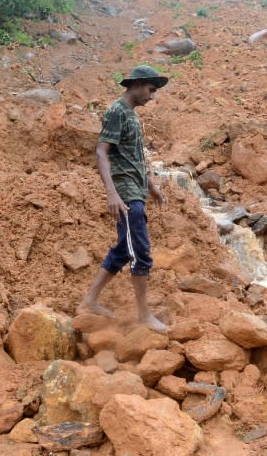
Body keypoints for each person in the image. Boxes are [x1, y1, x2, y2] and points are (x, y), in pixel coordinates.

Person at [77, 65, 169, 333]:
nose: (152, 96)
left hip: (136, 190)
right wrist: (112, 193)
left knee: (122, 248)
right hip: (126, 193)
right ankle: (143, 315)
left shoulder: (131, 115)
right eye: (151, 90)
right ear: (137, 84)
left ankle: (90, 300)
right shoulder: (117, 111)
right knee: (139, 250)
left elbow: (135, 156)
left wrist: (151, 186)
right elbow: (101, 153)